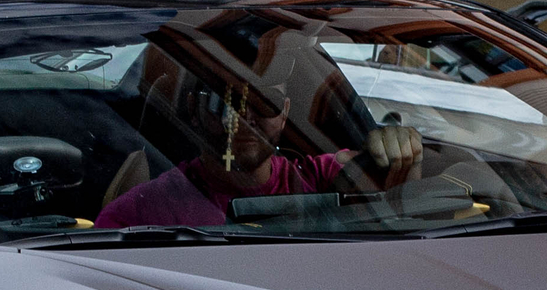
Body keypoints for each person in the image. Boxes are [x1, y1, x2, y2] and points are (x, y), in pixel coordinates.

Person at [95, 78, 421, 229]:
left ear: (284, 113)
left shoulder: (327, 178)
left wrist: (401, 152)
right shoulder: (140, 214)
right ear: (194, 110)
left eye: (265, 102)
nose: (242, 119)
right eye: (222, 103)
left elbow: (402, 197)